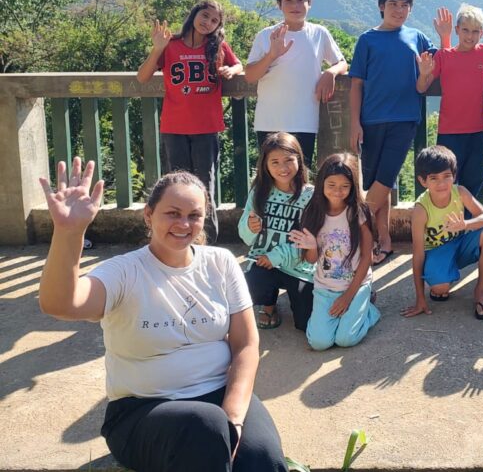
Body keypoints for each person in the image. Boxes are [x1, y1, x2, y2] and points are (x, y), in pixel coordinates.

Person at [38, 158, 288, 472]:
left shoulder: (220, 263)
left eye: (194, 216)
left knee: (263, 458)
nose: (184, 224)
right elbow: (60, 303)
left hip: (219, 395)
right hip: (141, 412)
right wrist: (68, 232)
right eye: (172, 213)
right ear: (148, 215)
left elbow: (246, 344)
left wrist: (234, 416)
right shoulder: (124, 272)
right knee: (206, 427)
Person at [136, 0, 243, 243]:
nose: (208, 23)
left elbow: (238, 64)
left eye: (215, 20)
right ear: (194, 15)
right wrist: (157, 48)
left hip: (206, 127)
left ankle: (207, 243)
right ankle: (175, 240)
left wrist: (232, 71)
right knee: (174, 188)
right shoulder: (170, 45)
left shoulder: (217, 46)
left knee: (205, 186)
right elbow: (143, 77)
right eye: (205, 16)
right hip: (174, 127)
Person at [349, 0, 435, 265]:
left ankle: (348, 230)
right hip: (371, 120)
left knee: (385, 179)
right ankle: (382, 240)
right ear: (381, 6)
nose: (399, 10)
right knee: (377, 183)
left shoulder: (418, 38)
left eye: (404, 5)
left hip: (404, 119)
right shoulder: (367, 40)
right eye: (393, 4)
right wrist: (354, 122)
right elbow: (356, 85)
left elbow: (428, 79)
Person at [244, 0, 348, 169]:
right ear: (279, 5)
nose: (295, 5)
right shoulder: (266, 35)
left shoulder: (319, 33)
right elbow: (250, 75)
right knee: (271, 177)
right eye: (288, 0)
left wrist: (330, 73)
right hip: (269, 121)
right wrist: (271, 55)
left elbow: (342, 62)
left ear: (309, 4)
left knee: (300, 176)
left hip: (305, 121)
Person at [290, 154, 381, 349]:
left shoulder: (358, 212)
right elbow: (311, 260)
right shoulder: (313, 212)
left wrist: (348, 297)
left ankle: (369, 311)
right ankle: (354, 313)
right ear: (321, 183)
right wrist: (312, 246)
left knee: (345, 339)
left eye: (344, 186)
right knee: (319, 343)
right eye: (331, 185)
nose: (337, 191)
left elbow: (367, 257)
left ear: (353, 187)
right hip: (325, 287)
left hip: (355, 285)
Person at [402, 145, 483, 320]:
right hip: (436, 251)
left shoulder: (460, 192)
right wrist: (420, 298)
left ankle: (481, 291)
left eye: (447, 176)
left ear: (454, 175)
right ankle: (443, 277)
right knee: (440, 288)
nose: (442, 183)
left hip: (460, 244)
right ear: (423, 181)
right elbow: (417, 254)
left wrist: (466, 224)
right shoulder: (421, 209)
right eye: (434, 178)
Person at [417, 3, 483, 204]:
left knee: (474, 183)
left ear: (482, 33)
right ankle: (447, 227)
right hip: (449, 131)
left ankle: (473, 228)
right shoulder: (444, 56)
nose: (470, 36)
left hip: (477, 131)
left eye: (475, 31)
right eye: (465, 30)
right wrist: (424, 73)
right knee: (447, 183)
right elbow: (421, 88)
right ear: (457, 30)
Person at [237, 132, 314, 331]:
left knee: (306, 323)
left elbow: (313, 239)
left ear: (299, 159)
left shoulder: (310, 196)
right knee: (252, 283)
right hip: (263, 263)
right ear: (265, 165)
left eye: (289, 160)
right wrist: (250, 228)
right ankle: (269, 304)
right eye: (275, 162)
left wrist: (278, 256)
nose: (283, 168)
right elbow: (246, 238)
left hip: (298, 267)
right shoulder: (258, 192)